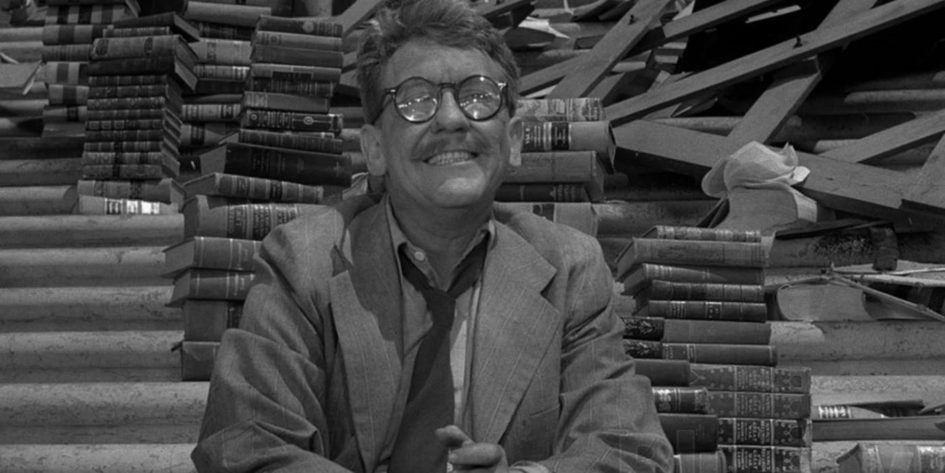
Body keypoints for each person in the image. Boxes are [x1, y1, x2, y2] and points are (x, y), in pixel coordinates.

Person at [192, 0, 674, 471]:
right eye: (416, 99)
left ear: (514, 141)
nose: (450, 119)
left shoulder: (570, 268)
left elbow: (627, 447)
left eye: (479, 96)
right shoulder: (303, 261)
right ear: (375, 150)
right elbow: (244, 444)